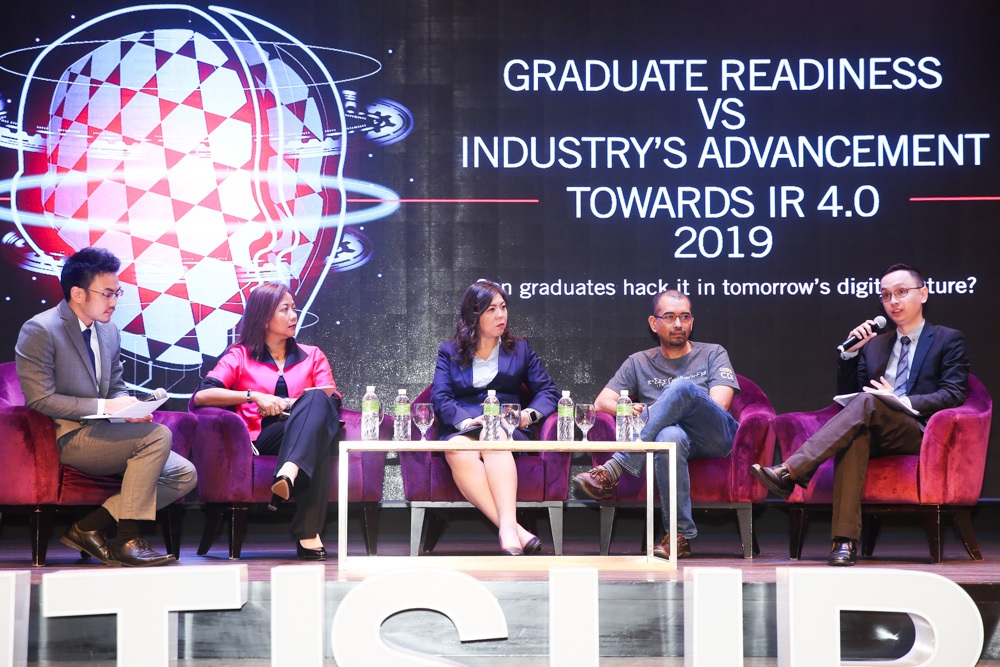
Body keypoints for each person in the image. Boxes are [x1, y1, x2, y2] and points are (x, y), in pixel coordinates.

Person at [752, 263, 968, 566]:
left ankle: (791, 471)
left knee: (868, 405)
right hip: (875, 423)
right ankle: (843, 543)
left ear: (923, 294)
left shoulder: (948, 339)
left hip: (918, 430)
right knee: (855, 435)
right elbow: (849, 398)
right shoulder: (876, 345)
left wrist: (900, 399)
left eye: (901, 292)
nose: (893, 301)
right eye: (885, 296)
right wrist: (850, 355)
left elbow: (954, 393)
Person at [15, 247, 197, 567]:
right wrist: (107, 407)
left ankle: (89, 527)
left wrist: (130, 410)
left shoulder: (109, 331)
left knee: (184, 474)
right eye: (108, 293)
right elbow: (39, 399)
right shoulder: (40, 329)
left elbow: (115, 387)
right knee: (157, 436)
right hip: (69, 437)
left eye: (117, 292)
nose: (114, 301)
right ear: (78, 293)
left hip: (107, 433)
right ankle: (127, 539)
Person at [571, 289, 739, 559]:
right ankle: (678, 536)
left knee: (682, 387)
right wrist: (636, 410)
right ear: (654, 323)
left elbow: (720, 405)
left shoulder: (713, 353)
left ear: (691, 322)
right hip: (675, 439)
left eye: (684, 317)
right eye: (670, 317)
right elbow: (603, 401)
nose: (678, 324)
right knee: (667, 437)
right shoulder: (639, 362)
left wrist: (656, 408)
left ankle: (615, 467)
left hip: (715, 436)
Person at [193, 281, 342, 560]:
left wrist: (289, 403)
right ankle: (308, 532)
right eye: (285, 310)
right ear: (263, 317)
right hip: (264, 438)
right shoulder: (240, 355)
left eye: (294, 309)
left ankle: (289, 470)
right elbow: (203, 396)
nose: (294, 316)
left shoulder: (313, 355)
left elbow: (331, 399)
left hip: (307, 429)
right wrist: (253, 396)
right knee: (317, 434)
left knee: (317, 404)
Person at [431, 280, 561, 555]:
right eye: (492, 310)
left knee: (495, 436)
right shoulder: (449, 351)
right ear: (474, 315)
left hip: (505, 428)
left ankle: (506, 530)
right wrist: (467, 422)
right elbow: (441, 398)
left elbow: (548, 391)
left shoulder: (520, 349)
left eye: (503, 307)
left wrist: (527, 415)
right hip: (464, 427)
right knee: (456, 449)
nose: (501, 315)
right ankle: (514, 529)